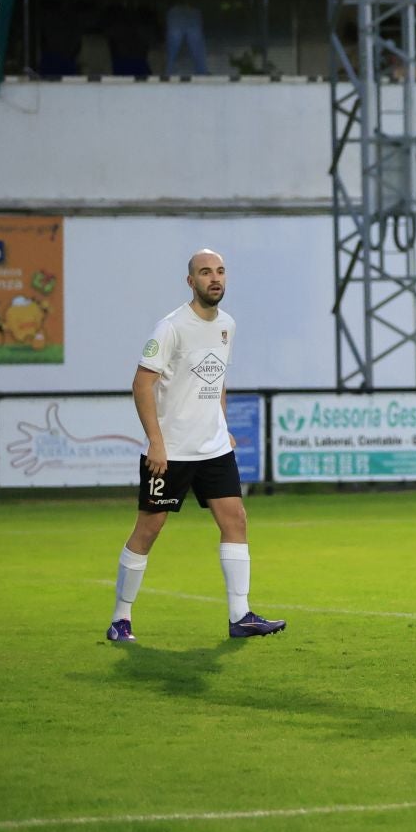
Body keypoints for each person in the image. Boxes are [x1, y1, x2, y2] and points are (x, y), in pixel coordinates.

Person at [105, 250, 284, 643]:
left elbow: (217, 377)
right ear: (191, 281)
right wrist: (156, 442)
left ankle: (241, 615)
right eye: (205, 273)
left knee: (235, 519)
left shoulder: (228, 326)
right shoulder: (170, 327)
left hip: (213, 448)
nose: (214, 278)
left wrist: (223, 422)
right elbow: (142, 383)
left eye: (220, 272)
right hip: (171, 453)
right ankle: (121, 618)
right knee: (149, 529)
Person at [164, 2, 207, 77]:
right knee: (196, 47)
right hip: (191, 11)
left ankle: (169, 71)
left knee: (172, 48)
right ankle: (201, 72)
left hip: (176, 13)